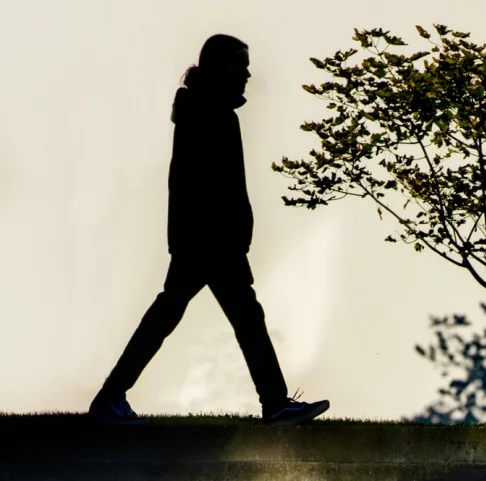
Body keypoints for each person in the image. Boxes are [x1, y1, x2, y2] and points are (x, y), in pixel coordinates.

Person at [89, 34, 329, 426]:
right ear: (222, 67)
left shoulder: (201, 110)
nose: (248, 73)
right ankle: (275, 404)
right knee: (237, 317)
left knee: (180, 314)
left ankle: (111, 397)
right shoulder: (211, 113)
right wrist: (233, 236)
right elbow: (211, 185)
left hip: (200, 238)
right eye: (241, 64)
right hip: (212, 240)